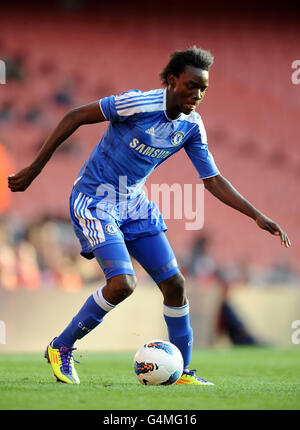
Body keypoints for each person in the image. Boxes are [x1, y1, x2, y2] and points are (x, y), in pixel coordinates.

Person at [8, 46, 291, 386]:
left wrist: (256, 215)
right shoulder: (137, 103)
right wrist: (35, 168)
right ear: (172, 81)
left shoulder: (191, 126)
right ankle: (61, 346)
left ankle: (182, 370)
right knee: (123, 283)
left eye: (203, 89)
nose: (197, 95)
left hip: (134, 203)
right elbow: (75, 116)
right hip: (94, 198)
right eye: (191, 86)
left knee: (175, 284)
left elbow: (212, 179)